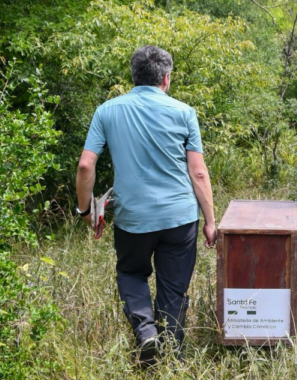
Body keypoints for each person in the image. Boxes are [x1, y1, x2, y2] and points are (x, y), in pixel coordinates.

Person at [75, 45, 216, 364]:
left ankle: (146, 333)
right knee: (173, 288)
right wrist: (209, 221)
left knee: (132, 273)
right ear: (166, 78)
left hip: (133, 218)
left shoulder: (107, 111)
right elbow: (198, 171)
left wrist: (86, 210)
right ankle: (173, 357)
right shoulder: (184, 112)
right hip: (180, 218)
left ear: (133, 76)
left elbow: (86, 165)